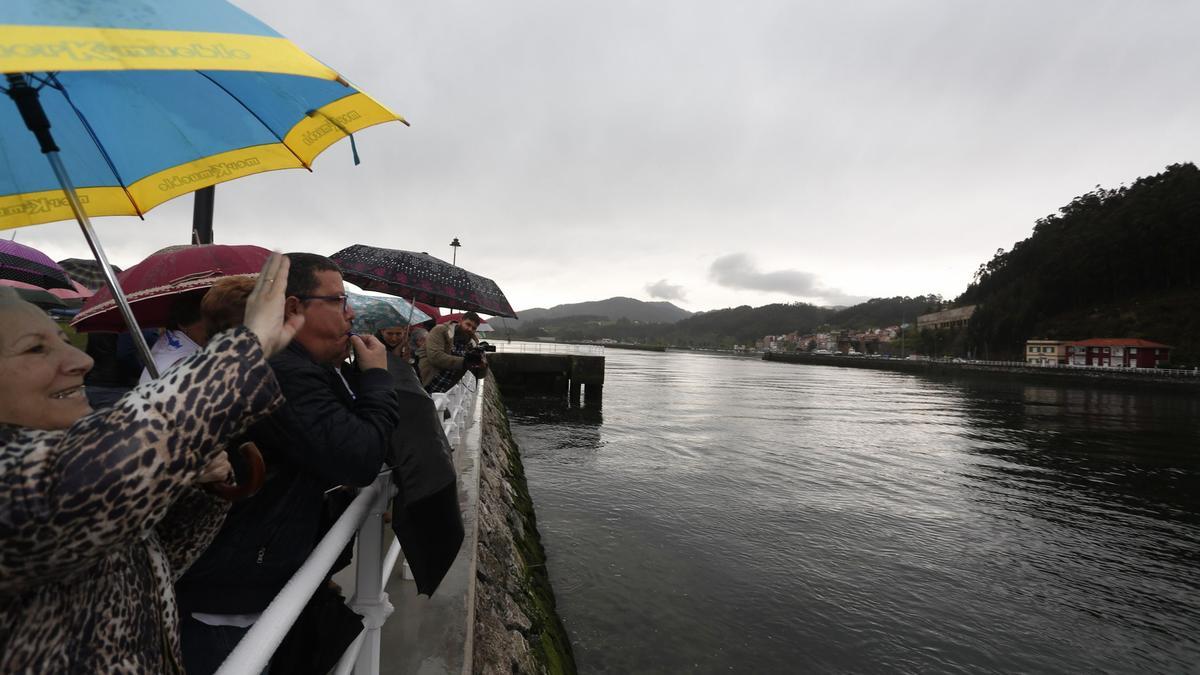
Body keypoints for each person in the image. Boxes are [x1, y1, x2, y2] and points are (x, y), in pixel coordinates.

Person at [0, 253, 302, 673]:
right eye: (35, 348)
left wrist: (200, 489)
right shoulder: (24, 478)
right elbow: (74, 490)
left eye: (63, 341)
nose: (82, 362)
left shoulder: (69, 453)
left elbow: (148, 563)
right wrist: (241, 351)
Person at [176, 253, 402, 674]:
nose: (349, 313)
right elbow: (359, 458)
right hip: (232, 593)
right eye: (338, 300)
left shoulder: (299, 366)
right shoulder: (281, 370)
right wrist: (375, 378)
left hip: (250, 577)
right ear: (294, 306)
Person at [137, 293, 206, 384]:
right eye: (205, 326)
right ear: (184, 325)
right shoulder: (186, 360)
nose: (214, 329)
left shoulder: (169, 338)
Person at [420, 311, 486, 393]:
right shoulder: (440, 330)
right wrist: (466, 361)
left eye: (474, 328)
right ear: (461, 320)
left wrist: (482, 366)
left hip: (442, 391)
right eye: (468, 324)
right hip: (424, 383)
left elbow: (479, 375)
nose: (470, 329)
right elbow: (435, 356)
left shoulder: (471, 345)